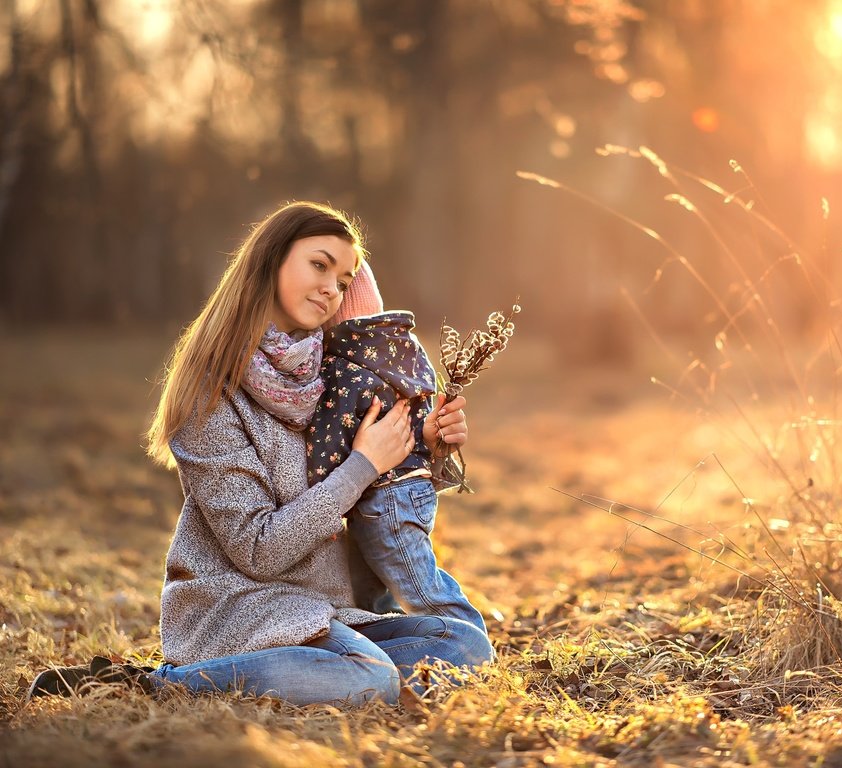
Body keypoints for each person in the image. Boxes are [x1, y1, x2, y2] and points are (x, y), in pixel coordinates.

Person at [26, 201, 493, 706]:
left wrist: (423, 445)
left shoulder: (332, 378)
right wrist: (364, 465)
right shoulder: (210, 393)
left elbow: (369, 499)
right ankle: (151, 685)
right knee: (369, 677)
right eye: (319, 265)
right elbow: (257, 549)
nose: (331, 290)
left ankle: (317, 676)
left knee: (463, 644)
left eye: (343, 279)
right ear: (271, 260)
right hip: (239, 606)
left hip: (323, 608)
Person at [308, 262, 487, 632]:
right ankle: (400, 639)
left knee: (423, 589)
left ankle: (469, 641)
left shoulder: (342, 366)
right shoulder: (402, 347)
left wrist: (315, 487)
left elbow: (330, 437)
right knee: (374, 587)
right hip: (411, 489)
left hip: (383, 497)